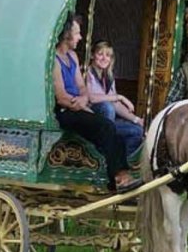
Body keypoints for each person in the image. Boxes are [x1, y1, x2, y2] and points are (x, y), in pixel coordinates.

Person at [53, 15, 138, 193]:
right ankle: (119, 176)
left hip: (79, 106)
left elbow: (82, 87)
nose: (80, 37)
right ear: (67, 34)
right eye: (77, 33)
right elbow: (61, 96)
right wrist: (79, 104)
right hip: (66, 110)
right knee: (106, 126)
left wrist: (83, 99)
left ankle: (118, 175)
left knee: (112, 129)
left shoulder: (73, 56)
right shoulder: (55, 60)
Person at [85, 40, 144, 157]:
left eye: (108, 55)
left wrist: (136, 119)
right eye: (100, 54)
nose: (104, 58)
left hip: (108, 122)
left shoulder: (108, 76)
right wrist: (120, 97)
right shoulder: (87, 72)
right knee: (107, 107)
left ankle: (124, 161)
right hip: (91, 119)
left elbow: (116, 104)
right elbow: (91, 98)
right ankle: (106, 154)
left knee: (137, 130)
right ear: (92, 55)